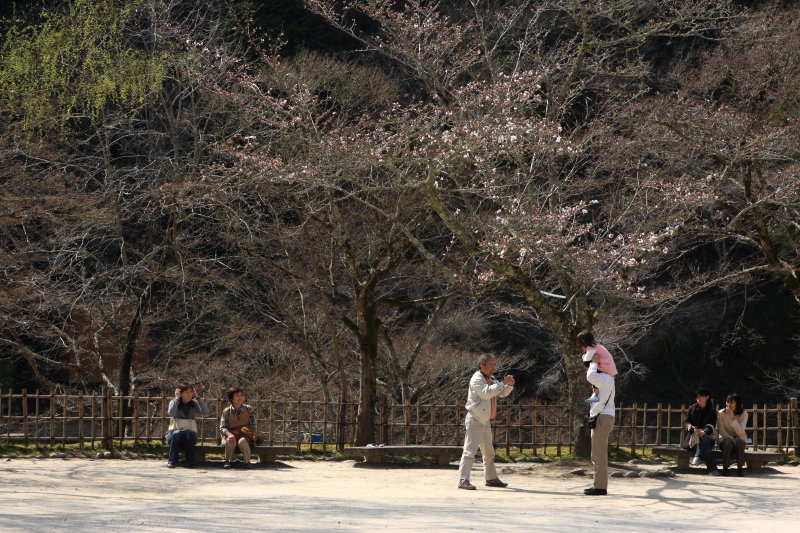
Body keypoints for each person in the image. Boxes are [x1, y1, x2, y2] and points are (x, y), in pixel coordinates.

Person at [457, 353, 515, 490]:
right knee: (469, 451)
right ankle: (463, 479)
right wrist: (503, 383)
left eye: (494, 365)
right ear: (482, 366)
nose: (493, 368)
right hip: (475, 419)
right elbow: (486, 393)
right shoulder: (476, 379)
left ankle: (491, 478)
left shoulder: (491, 378)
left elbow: (500, 393)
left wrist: (509, 386)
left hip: (485, 420)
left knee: (489, 452)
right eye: (490, 365)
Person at [583, 349, 615, 495]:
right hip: (602, 417)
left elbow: (590, 376)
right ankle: (598, 484)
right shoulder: (605, 379)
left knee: (599, 454)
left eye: (587, 365)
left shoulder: (603, 378)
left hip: (601, 417)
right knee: (597, 453)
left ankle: (600, 487)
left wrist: (594, 363)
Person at [165, 382, 209, 468]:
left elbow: (205, 412)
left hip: (190, 434)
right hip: (174, 434)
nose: (189, 394)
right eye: (186, 392)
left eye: (191, 392)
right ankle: (172, 462)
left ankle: (191, 462)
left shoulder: (194, 403)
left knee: (187, 433)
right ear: (180, 393)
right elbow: (171, 413)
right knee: (177, 433)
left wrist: (197, 398)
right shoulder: (174, 402)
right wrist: (177, 399)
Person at [683, 388, 719, 475]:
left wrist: (704, 432)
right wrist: (689, 426)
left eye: (701, 396)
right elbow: (686, 421)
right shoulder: (692, 408)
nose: (698, 398)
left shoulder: (712, 411)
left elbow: (711, 425)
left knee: (705, 439)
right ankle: (712, 469)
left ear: (707, 397)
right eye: (697, 396)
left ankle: (697, 455)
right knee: (704, 442)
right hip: (692, 439)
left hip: (706, 437)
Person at [220, 386, 257, 468]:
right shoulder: (226, 411)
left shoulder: (248, 409)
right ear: (231, 398)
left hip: (245, 435)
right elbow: (222, 427)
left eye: (241, 395)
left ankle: (247, 461)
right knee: (230, 440)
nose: (240, 397)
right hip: (230, 434)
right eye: (237, 396)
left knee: (242, 441)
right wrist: (229, 434)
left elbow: (253, 425)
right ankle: (228, 461)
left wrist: (243, 432)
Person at [577, 331, 617, 403]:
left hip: (606, 368)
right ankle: (595, 394)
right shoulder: (596, 346)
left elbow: (586, 360)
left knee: (592, 373)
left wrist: (583, 358)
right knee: (594, 373)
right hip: (609, 367)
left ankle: (595, 394)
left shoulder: (591, 348)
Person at [717, 393, 748, 476]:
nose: (728, 405)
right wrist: (731, 438)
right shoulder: (721, 413)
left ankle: (740, 469)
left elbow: (741, 432)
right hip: (724, 439)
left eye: (731, 402)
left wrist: (732, 418)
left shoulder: (744, 414)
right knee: (728, 441)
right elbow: (721, 430)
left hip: (738, 439)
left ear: (737, 404)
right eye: (727, 402)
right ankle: (725, 468)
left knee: (740, 441)